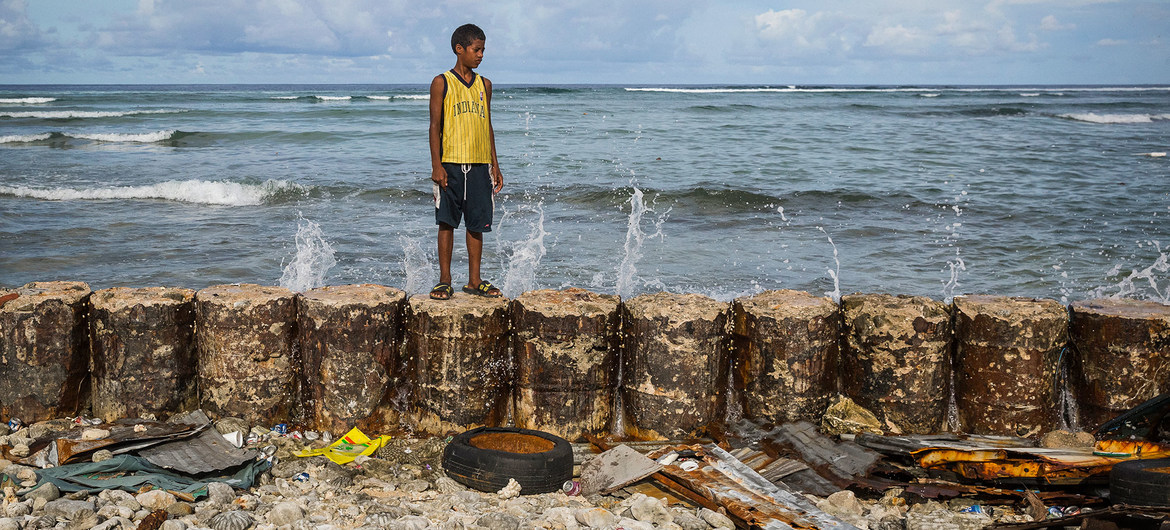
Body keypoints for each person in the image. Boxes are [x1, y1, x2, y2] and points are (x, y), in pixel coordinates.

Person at [428, 23, 504, 300]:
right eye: (476, 49)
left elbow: (488, 126)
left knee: (477, 224)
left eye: (483, 50)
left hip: (480, 165)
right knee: (447, 222)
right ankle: (444, 280)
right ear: (459, 49)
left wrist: (495, 164)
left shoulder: (485, 85)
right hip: (449, 164)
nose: (481, 55)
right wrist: (436, 165)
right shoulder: (442, 82)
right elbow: (434, 126)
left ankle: (474, 281)